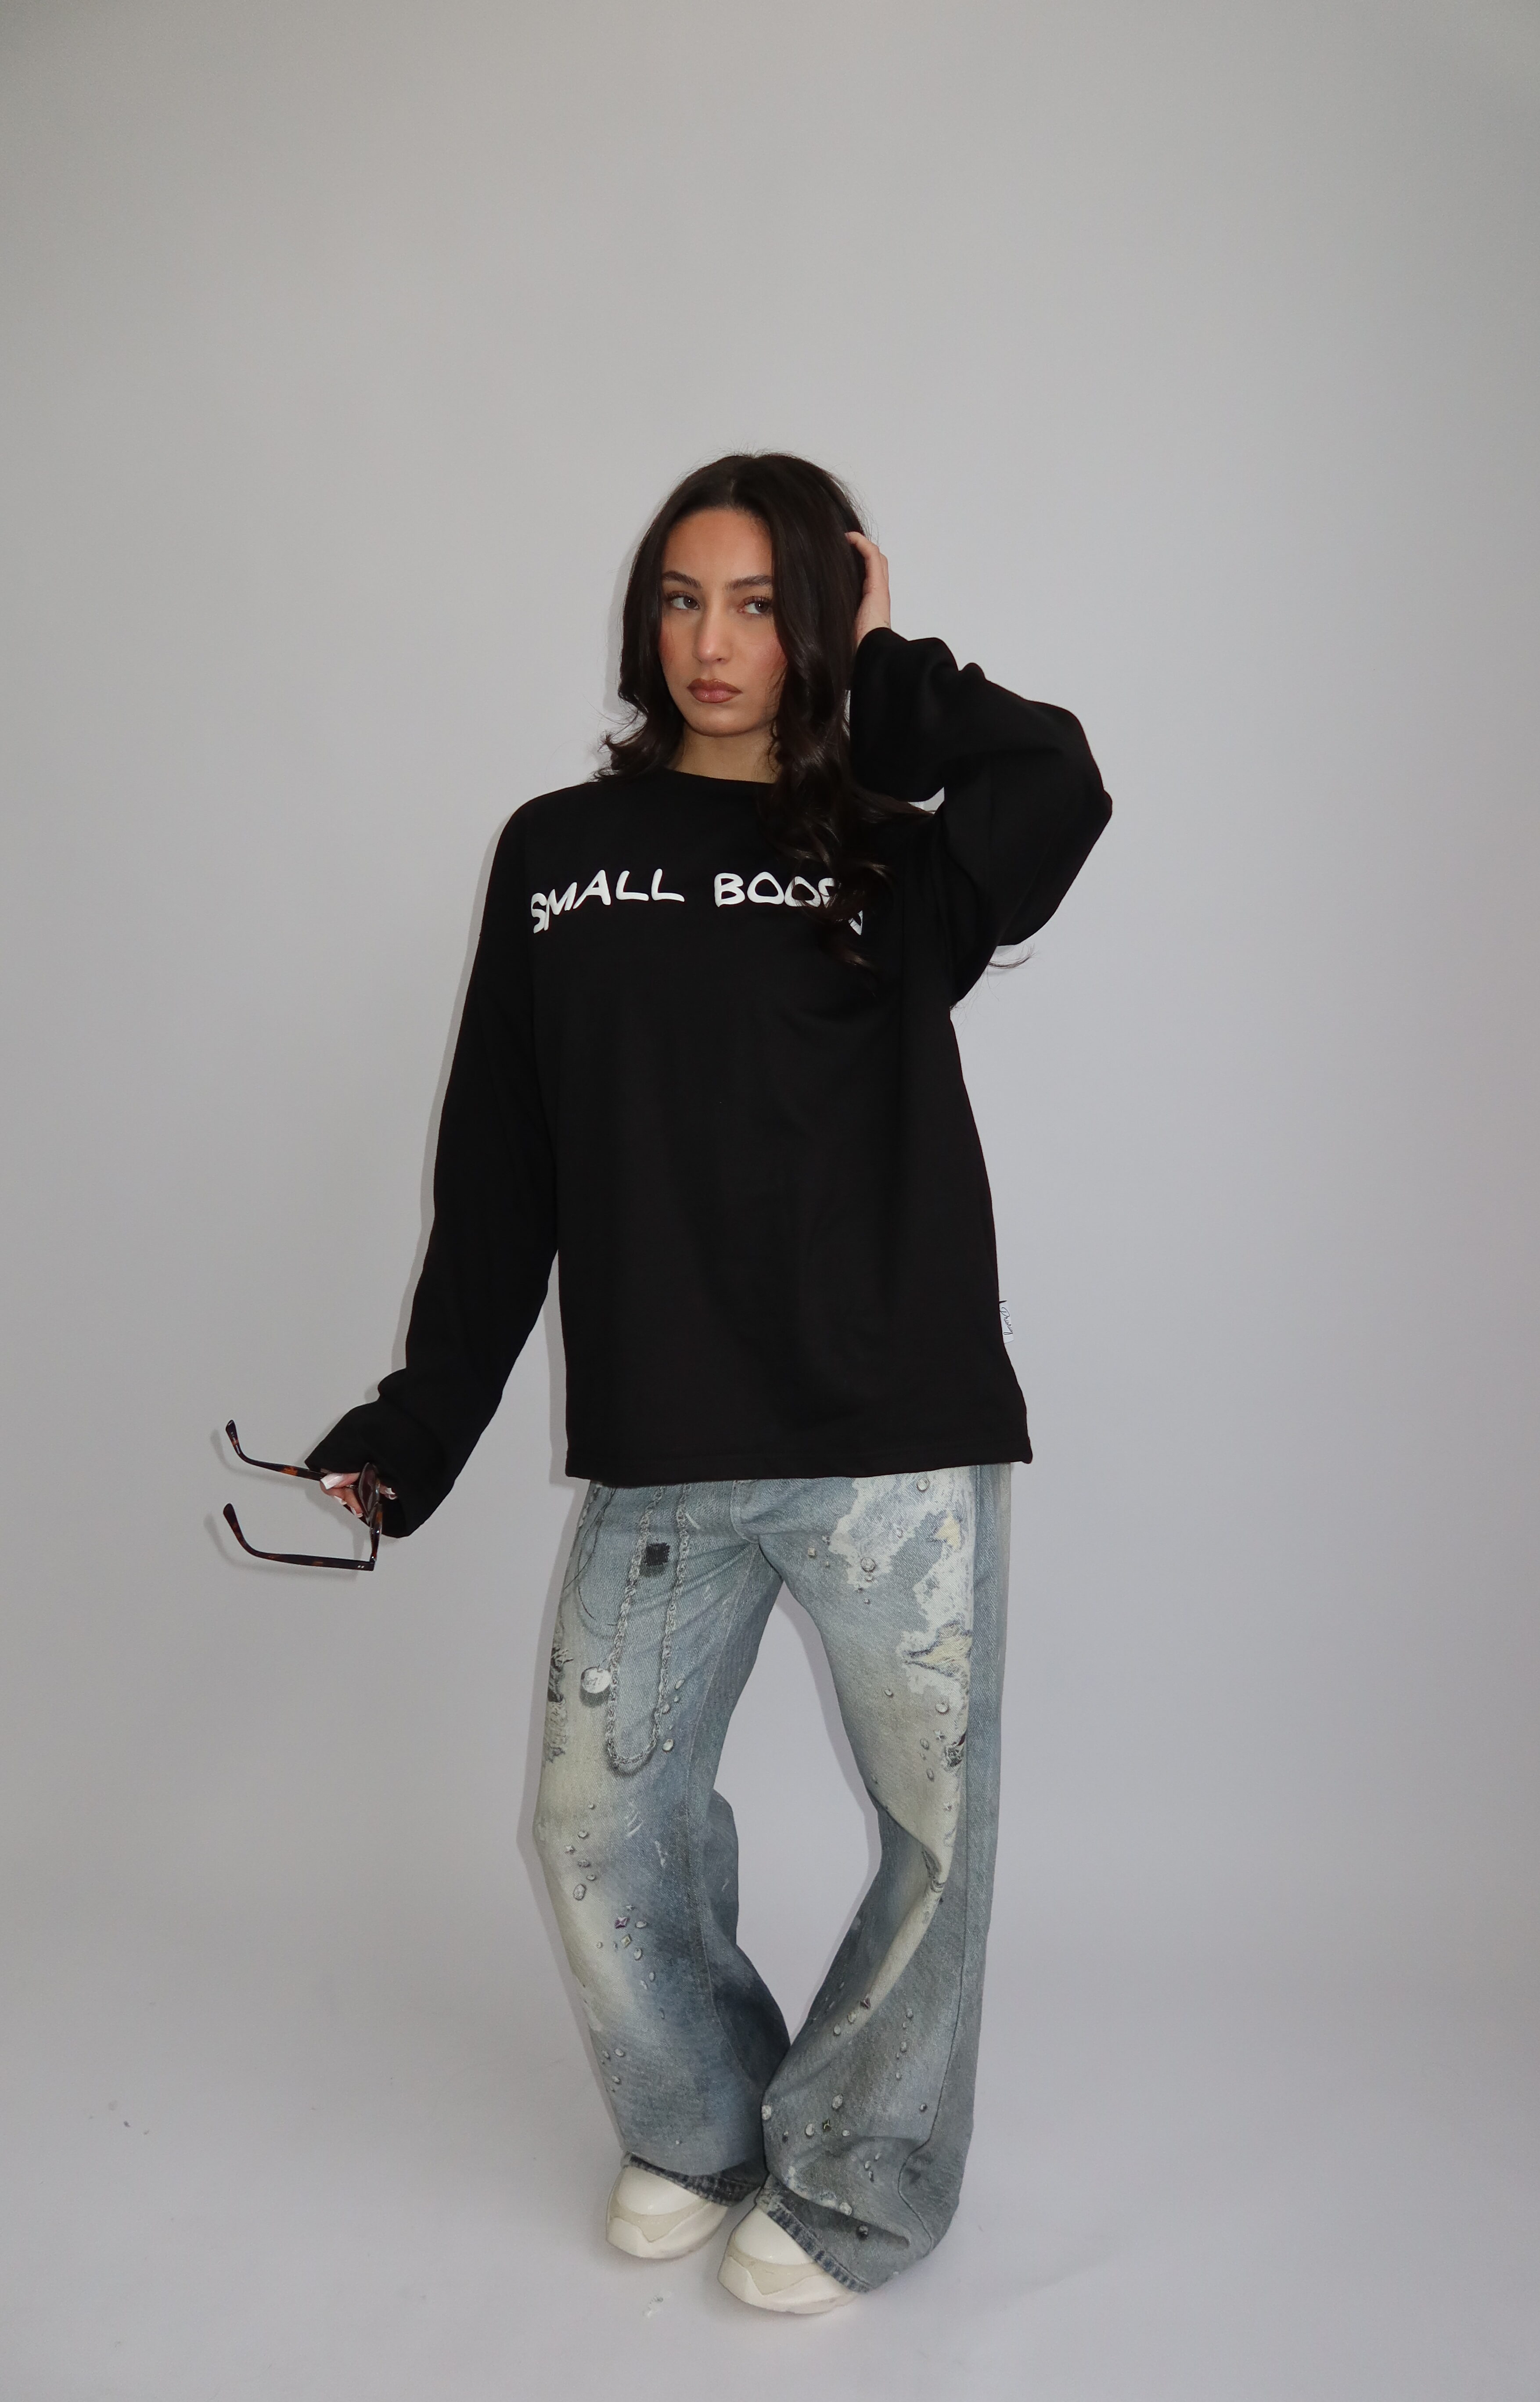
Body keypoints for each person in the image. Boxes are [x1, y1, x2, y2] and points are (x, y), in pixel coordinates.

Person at [303, 452, 1111, 2311]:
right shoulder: (557, 856)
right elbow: (503, 1165)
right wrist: (419, 1424)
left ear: (815, 619)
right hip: (666, 1442)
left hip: (894, 1435)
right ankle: (702, 2123)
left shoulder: (897, 856)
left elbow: (1060, 779)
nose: (711, 640)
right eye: (682, 597)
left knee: (935, 1842)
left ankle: (861, 2186)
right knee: (597, 1825)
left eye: (759, 602)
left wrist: (889, 675)